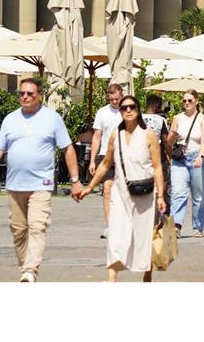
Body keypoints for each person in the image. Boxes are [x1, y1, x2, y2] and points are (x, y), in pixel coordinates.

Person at [0, 77, 82, 282]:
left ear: (39, 96)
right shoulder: (10, 119)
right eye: (22, 93)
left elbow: (68, 149)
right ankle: (26, 266)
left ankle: (30, 270)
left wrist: (75, 180)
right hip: (15, 184)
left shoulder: (52, 118)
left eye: (30, 93)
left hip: (41, 184)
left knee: (37, 226)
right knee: (18, 231)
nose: (25, 97)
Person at [75, 94, 166, 282]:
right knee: (116, 232)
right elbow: (106, 163)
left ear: (138, 109)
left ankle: (146, 273)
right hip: (120, 192)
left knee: (142, 235)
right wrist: (89, 186)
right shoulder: (116, 134)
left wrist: (161, 196)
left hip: (145, 192)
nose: (128, 110)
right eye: (124, 108)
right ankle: (112, 277)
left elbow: (157, 166)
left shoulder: (148, 134)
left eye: (132, 107)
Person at [167, 89, 204, 237]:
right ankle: (176, 226)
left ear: (196, 101)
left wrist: (201, 155)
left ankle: (198, 227)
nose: (186, 103)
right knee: (178, 193)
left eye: (190, 100)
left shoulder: (203, 119)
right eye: (184, 101)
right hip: (180, 159)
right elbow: (169, 141)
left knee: (199, 196)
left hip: (197, 157)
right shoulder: (177, 118)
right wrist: (173, 136)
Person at [89, 83, 124, 239]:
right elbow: (97, 137)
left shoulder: (128, 111)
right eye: (111, 100)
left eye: (117, 99)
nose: (115, 102)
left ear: (121, 96)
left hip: (125, 155)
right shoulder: (102, 112)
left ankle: (124, 224)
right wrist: (92, 160)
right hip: (105, 155)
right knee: (108, 189)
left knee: (125, 191)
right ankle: (110, 225)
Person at [140, 93, 172, 211]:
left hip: (142, 156)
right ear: (157, 105)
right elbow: (165, 140)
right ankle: (159, 200)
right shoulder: (160, 120)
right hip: (158, 156)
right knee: (163, 181)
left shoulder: (138, 118)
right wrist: (171, 155)